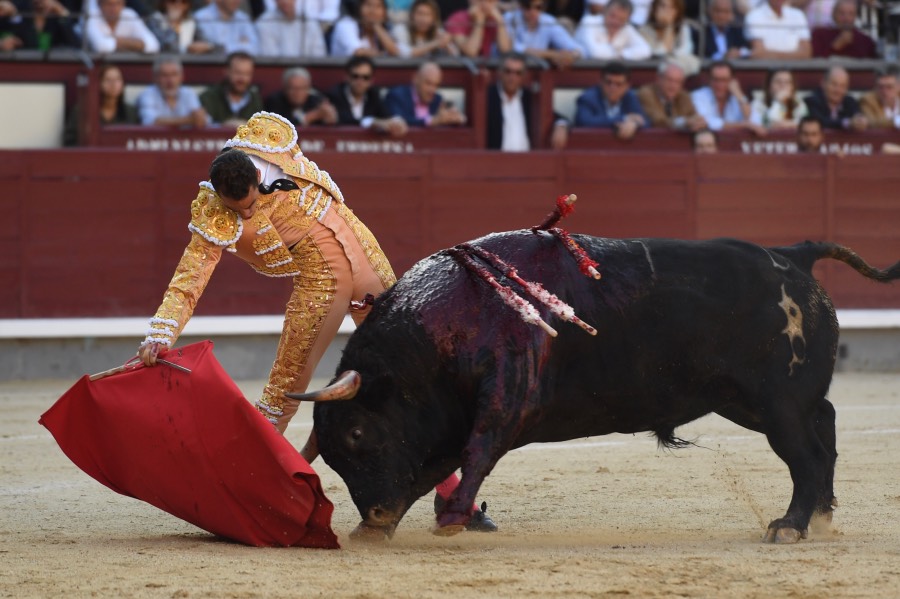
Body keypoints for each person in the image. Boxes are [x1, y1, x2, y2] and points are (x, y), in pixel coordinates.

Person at [137, 111, 496, 532]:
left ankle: (454, 498)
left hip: (360, 249)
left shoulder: (270, 137)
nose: (249, 212)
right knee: (285, 390)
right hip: (320, 283)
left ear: (255, 174)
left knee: (416, 372)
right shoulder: (215, 209)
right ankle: (242, 496)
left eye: (252, 203)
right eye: (242, 210)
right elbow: (190, 275)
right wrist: (161, 332)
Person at [325, 55, 409, 136]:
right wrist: (372, 122)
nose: (360, 81)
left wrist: (397, 121)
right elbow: (344, 120)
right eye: (355, 76)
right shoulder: (335, 95)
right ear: (347, 77)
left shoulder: (373, 95)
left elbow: (386, 116)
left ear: (371, 80)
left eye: (365, 77)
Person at [64, 63, 138, 146]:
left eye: (118, 79)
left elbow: (137, 143)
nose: (113, 84)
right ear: (98, 84)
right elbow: (69, 142)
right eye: (108, 80)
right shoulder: (82, 111)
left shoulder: (131, 112)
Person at [574, 61, 648, 141]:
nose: (613, 88)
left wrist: (635, 124)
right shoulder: (588, 97)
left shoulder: (630, 96)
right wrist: (624, 118)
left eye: (618, 84)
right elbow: (584, 122)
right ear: (601, 82)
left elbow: (645, 121)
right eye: (608, 82)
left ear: (627, 86)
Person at [384, 61, 467, 127]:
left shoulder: (437, 99)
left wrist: (455, 119)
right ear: (415, 79)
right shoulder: (396, 96)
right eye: (428, 83)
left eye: (436, 85)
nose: (432, 90)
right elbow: (398, 122)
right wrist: (432, 121)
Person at [504, 0, 583, 69]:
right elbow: (514, 50)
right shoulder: (510, 18)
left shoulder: (548, 21)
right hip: (509, 72)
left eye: (538, 7)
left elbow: (578, 50)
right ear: (520, 6)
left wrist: (570, 57)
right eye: (528, 7)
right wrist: (552, 55)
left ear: (544, 7)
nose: (533, 12)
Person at [136, 54, 209, 127]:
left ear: (182, 76)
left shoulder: (188, 93)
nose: (170, 81)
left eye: (174, 75)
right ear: (155, 78)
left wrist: (200, 117)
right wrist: (189, 120)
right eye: (164, 75)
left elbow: (203, 120)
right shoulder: (147, 94)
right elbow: (150, 122)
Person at [689, 60, 761, 133]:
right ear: (709, 80)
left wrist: (739, 94)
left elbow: (753, 119)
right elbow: (706, 122)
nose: (719, 85)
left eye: (724, 80)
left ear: (732, 81)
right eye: (716, 80)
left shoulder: (737, 97)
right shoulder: (699, 95)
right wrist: (742, 125)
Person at [199, 51, 264, 129]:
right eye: (238, 72)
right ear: (226, 72)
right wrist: (224, 126)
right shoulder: (209, 97)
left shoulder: (255, 99)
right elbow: (202, 128)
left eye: (247, 74)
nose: (242, 78)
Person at [637, 60, 706, 131]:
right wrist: (684, 122)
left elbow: (693, 115)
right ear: (658, 79)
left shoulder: (684, 96)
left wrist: (699, 122)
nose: (673, 86)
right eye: (669, 80)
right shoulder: (646, 93)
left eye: (678, 82)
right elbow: (658, 121)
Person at [574, 0, 652, 61]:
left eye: (621, 19)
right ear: (604, 12)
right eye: (612, 16)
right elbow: (595, 53)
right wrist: (618, 53)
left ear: (628, 19)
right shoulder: (589, 22)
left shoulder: (627, 28)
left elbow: (646, 50)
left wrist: (622, 54)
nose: (615, 22)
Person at [487, 52, 534, 150]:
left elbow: (552, 116)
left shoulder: (530, 98)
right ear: (500, 72)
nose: (512, 78)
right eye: (508, 71)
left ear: (524, 76)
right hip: (496, 162)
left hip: (527, 162)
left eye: (518, 73)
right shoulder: (488, 97)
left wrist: (561, 125)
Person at [639, 0, 700, 75]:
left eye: (672, 8)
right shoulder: (644, 31)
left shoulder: (683, 28)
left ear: (678, 12)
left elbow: (686, 51)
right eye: (662, 6)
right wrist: (668, 27)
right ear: (654, 9)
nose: (667, 11)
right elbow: (659, 54)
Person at [264, 67, 338, 127]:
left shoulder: (316, 101)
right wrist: (311, 117)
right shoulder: (274, 102)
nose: (298, 93)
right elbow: (281, 129)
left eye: (302, 88)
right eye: (293, 88)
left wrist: (330, 118)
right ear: (285, 88)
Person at [255, 0, 328, 58]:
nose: (285, 1)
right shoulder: (264, 23)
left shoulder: (309, 22)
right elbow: (270, 58)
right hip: (279, 73)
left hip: (307, 73)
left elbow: (319, 55)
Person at [803, 65, 867, 131]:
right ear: (823, 83)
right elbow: (819, 122)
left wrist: (860, 121)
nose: (838, 90)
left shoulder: (850, 101)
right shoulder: (812, 101)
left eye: (843, 86)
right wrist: (847, 123)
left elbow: (857, 115)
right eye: (834, 84)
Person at [329, 0, 402, 57]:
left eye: (378, 6)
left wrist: (377, 26)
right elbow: (359, 52)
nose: (372, 11)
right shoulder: (345, 24)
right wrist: (383, 55)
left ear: (385, 13)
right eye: (368, 5)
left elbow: (396, 52)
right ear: (359, 8)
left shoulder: (386, 29)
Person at [85, 0, 161, 54]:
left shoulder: (129, 14)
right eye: (109, 4)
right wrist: (134, 44)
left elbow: (153, 45)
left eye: (118, 3)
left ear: (123, 4)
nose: (113, 9)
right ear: (100, 4)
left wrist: (116, 40)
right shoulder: (91, 15)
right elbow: (101, 47)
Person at [744, 0, 812, 59]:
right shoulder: (754, 16)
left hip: (798, 69)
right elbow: (760, 54)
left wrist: (771, 54)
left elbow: (806, 53)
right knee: (783, 74)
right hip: (768, 70)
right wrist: (795, 55)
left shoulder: (798, 15)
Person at [811, 0, 877, 58]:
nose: (846, 18)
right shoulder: (819, 35)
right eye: (842, 13)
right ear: (833, 14)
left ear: (855, 16)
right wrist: (836, 46)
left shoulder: (866, 41)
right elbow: (815, 62)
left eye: (851, 14)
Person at [445, 0, 511, 58]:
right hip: (462, 69)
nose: (485, 4)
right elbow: (471, 52)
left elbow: (505, 51)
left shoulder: (495, 19)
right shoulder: (457, 18)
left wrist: (500, 21)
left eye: (490, 1)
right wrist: (479, 22)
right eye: (480, 0)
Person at [6, 0, 81, 50]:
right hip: (25, 66)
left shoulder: (56, 14)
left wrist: (62, 12)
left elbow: (75, 44)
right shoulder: (21, 10)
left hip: (52, 66)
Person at [392, 0, 458, 57]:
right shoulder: (400, 30)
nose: (423, 19)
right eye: (420, 14)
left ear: (434, 19)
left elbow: (455, 55)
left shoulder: (438, 32)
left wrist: (447, 44)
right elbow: (405, 53)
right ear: (412, 15)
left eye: (428, 15)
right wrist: (435, 43)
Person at [194, 0, 260, 55]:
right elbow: (211, 50)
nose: (237, 1)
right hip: (213, 67)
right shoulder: (200, 18)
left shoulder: (244, 18)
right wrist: (240, 45)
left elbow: (255, 49)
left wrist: (219, 48)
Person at [860, 64, 900, 129]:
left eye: (889, 87)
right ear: (875, 87)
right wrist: (896, 121)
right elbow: (872, 122)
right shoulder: (867, 101)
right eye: (880, 87)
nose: (884, 91)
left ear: (898, 86)